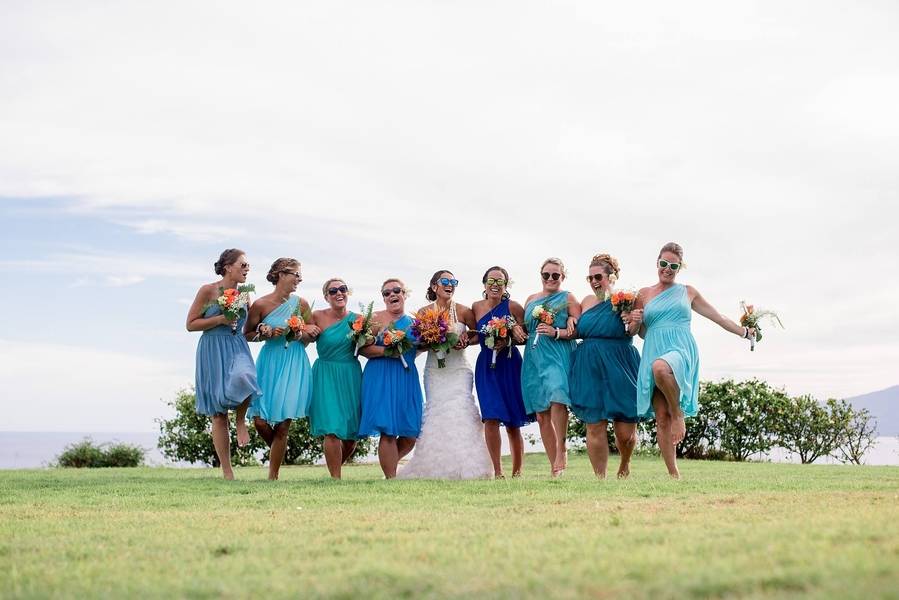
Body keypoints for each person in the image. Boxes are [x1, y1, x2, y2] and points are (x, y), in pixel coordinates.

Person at [632, 242, 755, 478]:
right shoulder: (643, 294)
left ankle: (679, 414)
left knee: (660, 369)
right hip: (653, 345)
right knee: (660, 416)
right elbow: (640, 332)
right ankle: (674, 475)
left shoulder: (688, 292)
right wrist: (635, 320)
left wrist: (744, 332)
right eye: (663, 264)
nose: (667, 269)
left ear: (680, 268)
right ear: (657, 263)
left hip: (680, 348)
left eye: (673, 266)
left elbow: (717, 317)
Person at [397, 270, 493, 480]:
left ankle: (470, 467)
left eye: (453, 281)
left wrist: (466, 339)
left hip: (459, 370)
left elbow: (477, 335)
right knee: (436, 413)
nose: (450, 285)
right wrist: (430, 340)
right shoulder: (423, 312)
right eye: (445, 281)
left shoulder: (464, 311)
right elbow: (418, 344)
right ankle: (434, 467)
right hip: (434, 371)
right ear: (434, 287)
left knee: (461, 412)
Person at [185, 248, 261, 480]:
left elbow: (247, 330)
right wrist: (220, 319)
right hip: (212, 348)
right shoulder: (208, 290)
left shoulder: (245, 294)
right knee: (218, 414)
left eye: (248, 266)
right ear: (228, 267)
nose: (247, 269)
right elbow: (190, 324)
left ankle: (240, 420)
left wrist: (262, 331)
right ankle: (227, 471)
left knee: (245, 377)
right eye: (243, 265)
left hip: (237, 346)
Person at [244, 258, 317, 480]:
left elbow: (310, 337)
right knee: (259, 420)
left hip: (294, 362)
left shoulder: (301, 304)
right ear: (280, 274)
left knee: (284, 423)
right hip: (269, 362)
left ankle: (273, 475)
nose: (299, 279)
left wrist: (300, 333)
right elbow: (247, 335)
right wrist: (264, 332)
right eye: (296, 274)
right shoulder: (260, 305)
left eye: (300, 276)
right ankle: (278, 449)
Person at [569, 254, 641, 479]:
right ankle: (600, 478)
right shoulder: (586, 302)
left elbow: (632, 331)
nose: (593, 281)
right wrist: (571, 320)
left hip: (621, 362)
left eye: (598, 276)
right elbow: (577, 329)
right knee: (594, 424)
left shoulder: (628, 299)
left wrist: (635, 320)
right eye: (589, 278)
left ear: (612, 276)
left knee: (625, 431)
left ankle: (625, 464)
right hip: (589, 364)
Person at [357, 278, 423, 479]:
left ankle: (390, 466)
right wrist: (389, 352)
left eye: (397, 290)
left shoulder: (415, 323)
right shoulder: (375, 319)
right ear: (383, 298)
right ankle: (391, 477)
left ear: (405, 294)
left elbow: (417, 349)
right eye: (387, 293)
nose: (392, 295)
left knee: (411, 432)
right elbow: (362, 349)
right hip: (380, 376)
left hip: (406, 377)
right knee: (388, 429)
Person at [521, 258, 581, 477]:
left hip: (557, 353)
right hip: (533, 356)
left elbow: (577, 328)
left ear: (562, 277)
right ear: (541, 276)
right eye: (546, 275)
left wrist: (565, 327)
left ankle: (561, 449)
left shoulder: (568, 297)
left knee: (558, 396)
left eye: (555, 275)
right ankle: (554, 469)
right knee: (541, 413)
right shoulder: (530, 299)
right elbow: (523, 328)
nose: (550, 279)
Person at [471, 266, 530, 478]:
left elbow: (525, 337)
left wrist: (508, 339)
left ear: (506, 285)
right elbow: (473, 335)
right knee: (491, 417)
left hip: (510, 364)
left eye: (500, 282)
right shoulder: (476, 307)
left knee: (513, 421)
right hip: (486, 365)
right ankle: (497, 471)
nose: (495, 285)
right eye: (491, 281)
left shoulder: (513, 307)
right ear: (484, 283)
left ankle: (517, 471)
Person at [309, 278, 365, 479]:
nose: (339, 293)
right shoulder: (316, 316)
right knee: (331, 428)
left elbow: (367, 347)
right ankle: (335, 478)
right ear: (326, 296)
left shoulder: (360, 319)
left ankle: (335, 466)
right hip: (325, 374)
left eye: (342, 289)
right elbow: (303, 341)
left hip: (350, 374)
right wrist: (305, 330)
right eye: (333, 291)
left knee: (352, 433)